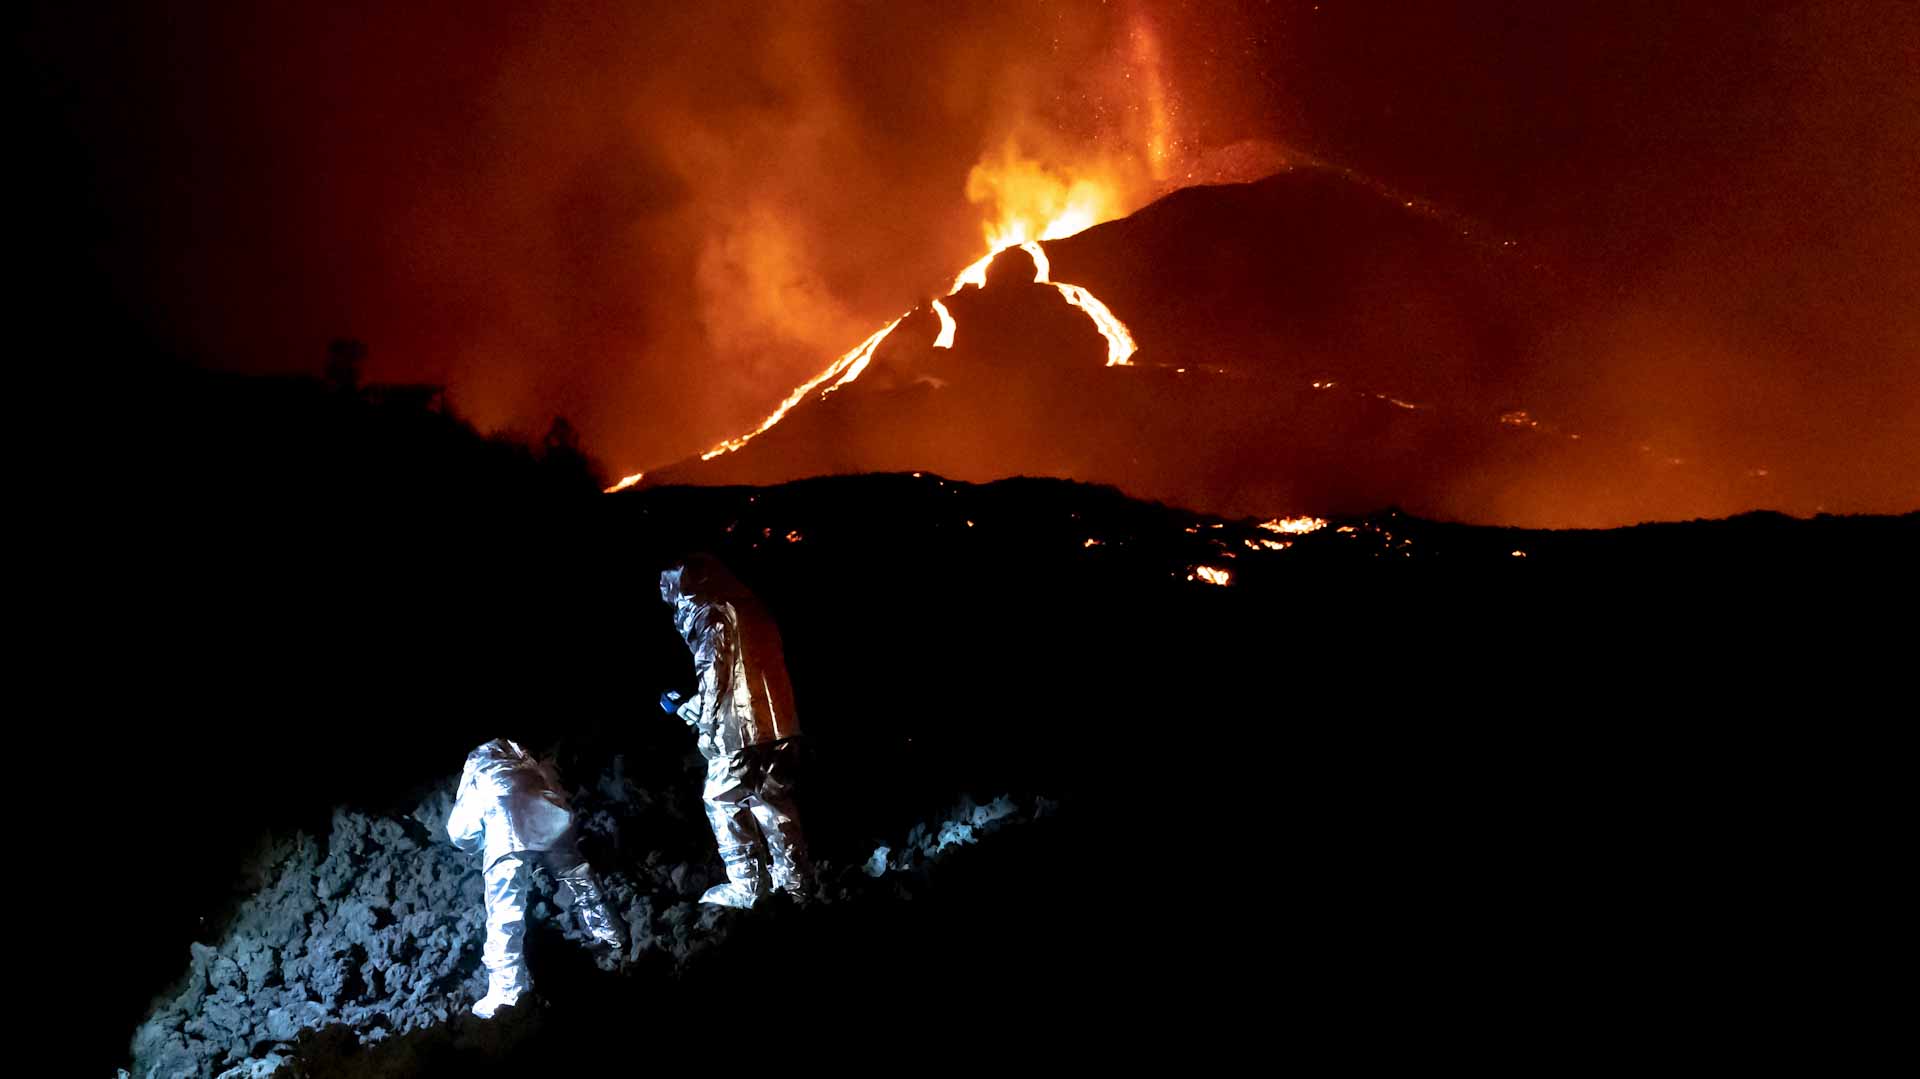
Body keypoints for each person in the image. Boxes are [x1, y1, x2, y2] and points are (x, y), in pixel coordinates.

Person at [659, 554, 811, 908]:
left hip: (740, 730)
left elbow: (715, 673)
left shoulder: (708, 610)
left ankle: (748, 885)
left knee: (721, 799)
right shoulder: (747, 603)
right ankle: (796, 884)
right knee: (771, 800)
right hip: (779, 725)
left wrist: (708, 727)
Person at [446, 738, 623, 1018]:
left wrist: (480, 842)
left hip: (506, 838)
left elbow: (459, 832)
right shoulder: (529, 765)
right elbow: (560, 796)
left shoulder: (480, 776)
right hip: (552, 822)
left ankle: (507, 994)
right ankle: (610, 934)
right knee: (580, 881)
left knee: (505, 915)